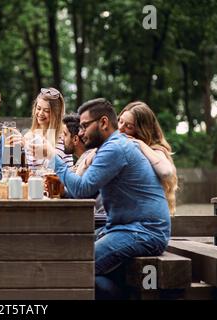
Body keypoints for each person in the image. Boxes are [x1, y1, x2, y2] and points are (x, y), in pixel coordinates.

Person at [29, 98, 170, 299]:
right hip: (122, 229)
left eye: (85, 126)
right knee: (65, 250)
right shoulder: (107, 149)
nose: (80, 132)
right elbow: (85, 190)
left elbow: (82, 190)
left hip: (144, 232)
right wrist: (60, 191)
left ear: (103, 123)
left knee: (75, 264)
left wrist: (53, 156)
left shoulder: (115, 148)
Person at [118, 101, 178, 215]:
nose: (120, 128)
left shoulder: (155, 150)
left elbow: (166, 172)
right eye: (120, 121)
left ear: (141, 131)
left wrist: (140, 144)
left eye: (128, 126)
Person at [7, 87, 74, 170]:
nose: (40, 113)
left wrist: (27, 146)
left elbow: (54, 169)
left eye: (46, 110)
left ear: (56, 114)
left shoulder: (64, 135)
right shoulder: (29, 135)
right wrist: (15, 149)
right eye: (38, 108)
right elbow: (26, 168)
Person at [61, 113, 106, 228]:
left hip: (96, 223)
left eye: (65, 134)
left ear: (75, 139)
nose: (62, 139)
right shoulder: (83, 160)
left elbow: (79, 194)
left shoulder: (89, 161)